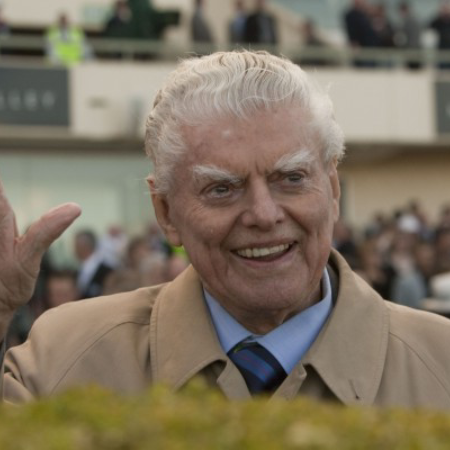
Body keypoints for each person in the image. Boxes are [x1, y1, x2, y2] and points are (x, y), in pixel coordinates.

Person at [1, 51, 450, 408]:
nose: (263, 214)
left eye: (291, 178)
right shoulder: (63, 360)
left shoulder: (441, 362)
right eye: (222, 189)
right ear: (166, 213)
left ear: (332, 189)